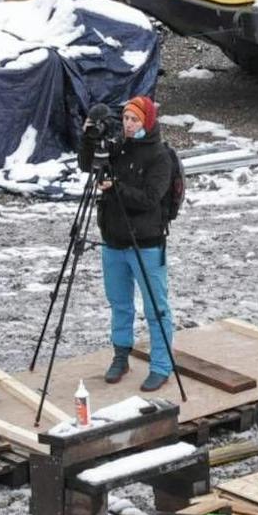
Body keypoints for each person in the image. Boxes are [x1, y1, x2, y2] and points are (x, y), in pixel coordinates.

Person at [77, 96, 175, 391]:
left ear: (146, 121)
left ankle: (161, 365)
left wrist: (117, 188)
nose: (129, 125)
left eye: (134, 120)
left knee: (156, 308)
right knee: (119, 303)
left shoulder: (160, 156)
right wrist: (87, 137)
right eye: (126, 119)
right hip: (114, 241)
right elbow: (86, 166)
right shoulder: (117, 147)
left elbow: (149, 198)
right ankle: (121, 356)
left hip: (146, 243)